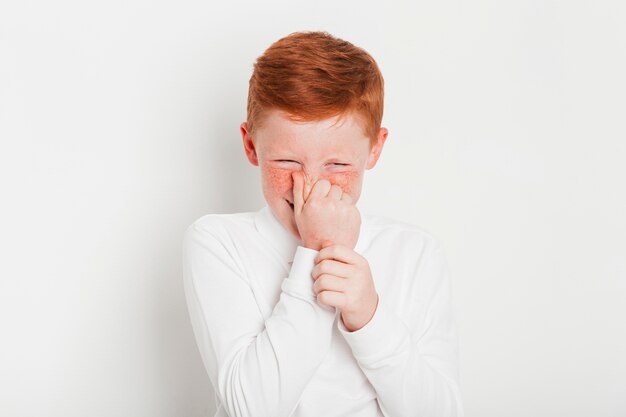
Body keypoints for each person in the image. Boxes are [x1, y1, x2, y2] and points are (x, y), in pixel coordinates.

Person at [182, 31, 464, 417]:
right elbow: (251, 409)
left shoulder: (415, 252)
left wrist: (369, 316)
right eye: (287, 162)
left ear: (375, 149)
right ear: (251, 146)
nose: (310, 187)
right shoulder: (218, 241)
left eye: (337, 165)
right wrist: (317, 249)